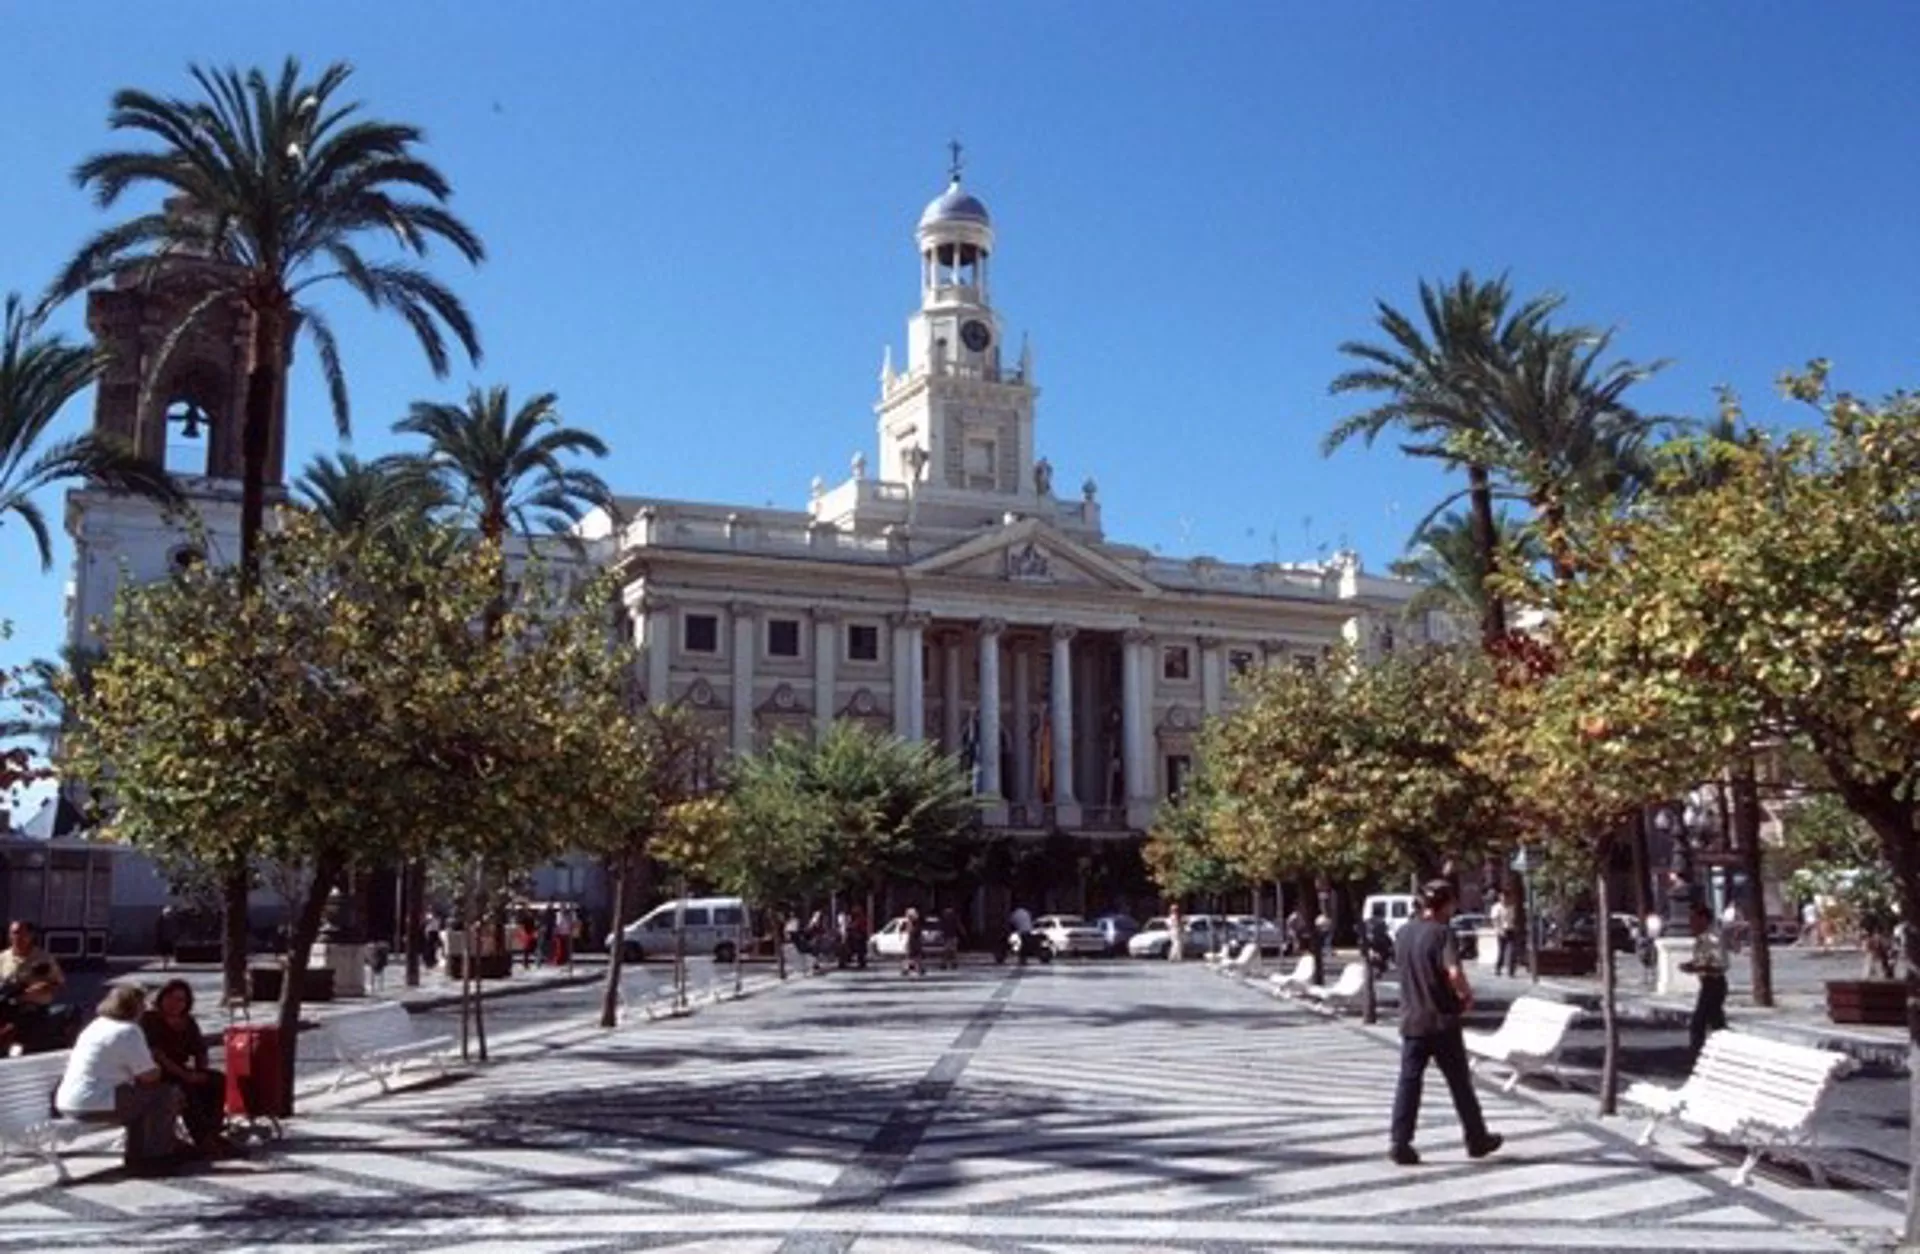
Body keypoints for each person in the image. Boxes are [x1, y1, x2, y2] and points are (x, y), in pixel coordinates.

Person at [1388, 880, 1502, 1167]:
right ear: (1445, 904)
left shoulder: (1403, 933)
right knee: (1460, 1083)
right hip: (1441, 1021)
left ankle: (1401, 1141)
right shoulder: (1442, 934)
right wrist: (1466, 995)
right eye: (1452, 903)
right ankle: (1476, 1138)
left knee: (1409, 1081)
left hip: (1411, 1019)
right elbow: (1453, 972)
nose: (1454, 908)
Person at [57, 983, 188, 1175]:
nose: (145, 1008)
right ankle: (155, 1158)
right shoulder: (128, 1031)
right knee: (164, 1095)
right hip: (95, 1102)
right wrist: (158, 1064)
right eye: (142, 1003)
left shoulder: (96, 1025)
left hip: (70, 1100)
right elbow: (149, 1075)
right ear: (134, 1006)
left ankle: (139, 1156)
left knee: (141, 1100)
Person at [140, 978, 230, 1155]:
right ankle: (202, 1138)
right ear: (162, 998)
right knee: (185, 1088)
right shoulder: (151, 1020)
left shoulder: (187, 1022)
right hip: (160, 1072)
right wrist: (185, 1075)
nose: (175, 1004)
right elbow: (158, 1055)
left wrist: (200, 1071)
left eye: (181, 1000)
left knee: (216, 1081)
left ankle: (213, 1131)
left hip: (182, 1069)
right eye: (171, 998)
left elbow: (199, 1049)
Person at [0, 920, 75, 1053]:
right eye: (14, 933)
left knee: (12, 1032)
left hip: (32, 1008)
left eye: (22, 933)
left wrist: (41, 988)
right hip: (7, 1005)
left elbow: (58, 983)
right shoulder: (3, 958)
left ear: (31, 935)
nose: (17, 937)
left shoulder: (43, 958)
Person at [1679, 902, 1728, 1061]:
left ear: (1704, 919)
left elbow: (1720, 965)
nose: (1690, 923)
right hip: (1707, 983)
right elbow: (1703, 961)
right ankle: (1720, 1052)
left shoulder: (1712, 938)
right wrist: (1691, 965)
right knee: (1716, 1022)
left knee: (1698, 1023)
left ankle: (1698, 1055)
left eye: (1694, 919)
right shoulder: (1702, 939)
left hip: (1714, 984)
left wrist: (1697, 968)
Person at [1489, 893, 1515, 978]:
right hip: (1501, 930)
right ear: (1500, 898)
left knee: (1511, 950)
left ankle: (1510, 970)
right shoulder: (1496, 908)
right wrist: (1499, 930)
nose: (1505, 900)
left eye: (1506, 898)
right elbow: (1495, 920)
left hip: (1510, 929)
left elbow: (1513, 918)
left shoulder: (1511, 907)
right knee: (1501, 951)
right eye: (1503, 898)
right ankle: (1498, 968)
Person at [903, 907, 925, 977]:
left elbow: (912, 932)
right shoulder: (912, 923)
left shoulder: (913, 923)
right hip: (914, 941)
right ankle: (914, 969)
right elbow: (911, 932)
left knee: (913, 956)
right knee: (914, 956)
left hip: (914, 941)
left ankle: (911, 969)